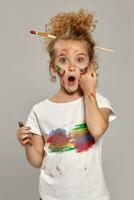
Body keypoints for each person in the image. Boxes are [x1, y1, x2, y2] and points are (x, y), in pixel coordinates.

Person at [16, 9, 116, 200]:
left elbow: (96, 130)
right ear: (53, 68)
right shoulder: (39, 110)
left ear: (91, 66)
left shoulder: (98, 101)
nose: (71, 67)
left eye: (80, 59)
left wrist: (89, 91)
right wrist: (27, 144)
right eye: (63, 60)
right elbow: (37, 160)